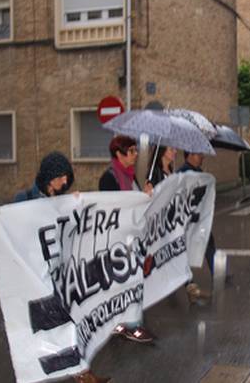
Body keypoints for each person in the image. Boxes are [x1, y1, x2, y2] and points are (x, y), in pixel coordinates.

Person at [11, 152, 109, 383]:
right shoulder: (23, 199)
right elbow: (11, 230)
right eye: (60, 178)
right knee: (39, 333)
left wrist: (74, 206)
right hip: (33, 277)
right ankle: (51, 373)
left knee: (68, 324)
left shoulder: (62, 200)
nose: (65, 183)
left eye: (67, 178)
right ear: (48, 177)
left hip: (57, 277)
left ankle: (82, 374)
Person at [99, 136, 154, 344]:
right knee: (127, 283)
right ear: (119, 155)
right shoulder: (109, 178)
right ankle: (132, 326)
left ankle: (125, 324)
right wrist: (140, 199)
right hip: (118, 242)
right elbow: (113, 210)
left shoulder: (131, 176)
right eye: (131, 151)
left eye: (135, 150)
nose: (135, 154)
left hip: (133, 240)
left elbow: (137, 207)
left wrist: (145, 195)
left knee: (131, 283)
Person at [177, 151, 216, 304]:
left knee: (209, 243)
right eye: (198, 154)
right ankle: (189, 285)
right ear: (189, 155)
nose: (202, 157)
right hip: (188, 221)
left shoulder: (199, 173)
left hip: (199, 220)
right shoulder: (183, 174)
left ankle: (215, 274)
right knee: (184, 251)